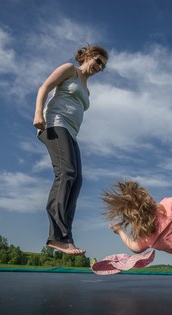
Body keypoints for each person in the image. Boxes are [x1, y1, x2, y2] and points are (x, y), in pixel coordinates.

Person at [33, 44, 109, 255]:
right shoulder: (70, 70)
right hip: (55, 124)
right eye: (98, 61)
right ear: (87, 56)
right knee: (66, 173)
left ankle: (65, 237)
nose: (100, 67)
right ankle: (58, 236)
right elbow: (44, 87)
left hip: (71, 134)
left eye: (103, 66)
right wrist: (38, 114)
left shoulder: (87, 88)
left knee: (76, 180)